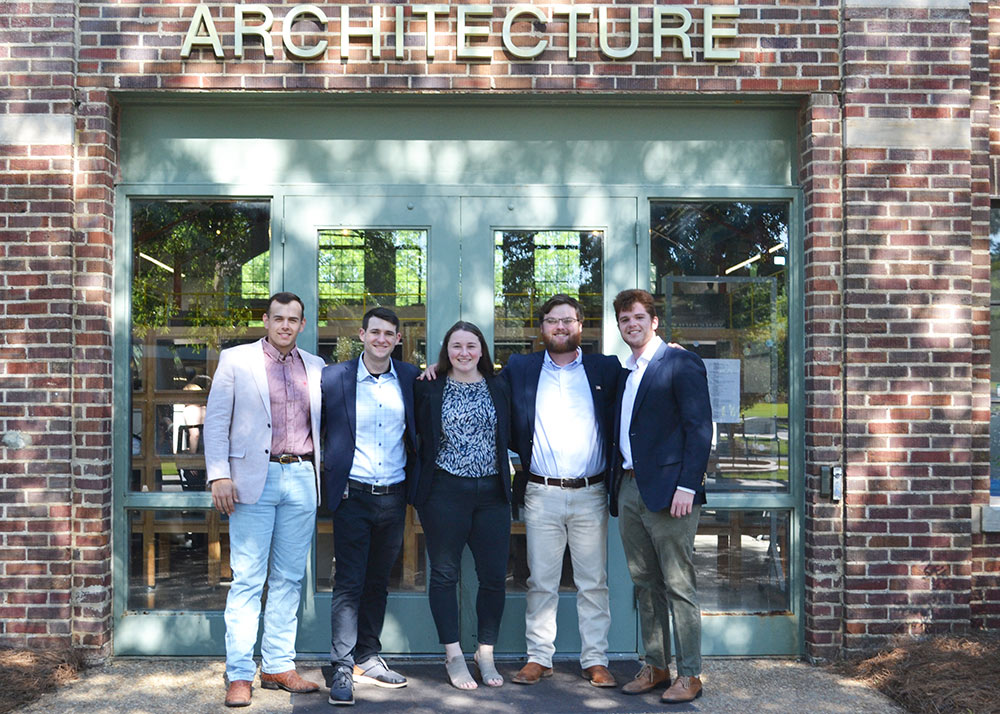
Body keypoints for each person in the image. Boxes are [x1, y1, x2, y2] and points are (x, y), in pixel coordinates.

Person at [204, 292, 324, 708]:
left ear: (302, 324)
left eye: (293, 319)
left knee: (290, 578)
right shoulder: (236, 360)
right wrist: (219, 473)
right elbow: (217, 420)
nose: (285, 326)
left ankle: (277, 663)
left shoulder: (317, 367)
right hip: (253, 478)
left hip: (302, 477)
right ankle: (239, 673)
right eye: (278, 318)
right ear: (265, 320)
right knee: (248, 580)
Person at [503, 295, 621, 688]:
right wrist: (438, 366)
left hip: (591, 492)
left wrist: (671, 352)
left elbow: (645, 383)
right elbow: (476, 378)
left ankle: (595, 659)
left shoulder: (605, 367)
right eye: (552, 321)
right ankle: (539, 657)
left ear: (580, 326)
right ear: (541, 328)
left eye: (567, 320)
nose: (560, 327)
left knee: (593, 581)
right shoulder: (521, 368)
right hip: (541, 492)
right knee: (541, 581)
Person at [610, 288, 712, 704]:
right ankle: (655, 666)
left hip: (672, 493)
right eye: (624, 320)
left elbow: (699, 428)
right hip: (631, 487)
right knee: (643, 583)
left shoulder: (679, 362)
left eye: (638, 317)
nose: (631, 325)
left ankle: (689, 674)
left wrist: (688, 485)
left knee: (678, 585)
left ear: (654, 321)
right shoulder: (627, 371)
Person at [320, 306, 420, 707]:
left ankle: (367, 656)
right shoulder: (334, 377)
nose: (381, 339)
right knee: (349, 582)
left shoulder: (412, 379)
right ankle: (341, 666)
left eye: (388, 334)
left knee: (379, 581)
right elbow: (315, 430)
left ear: (398, 340)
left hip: (393, 496)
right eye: (374, 332)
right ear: (361, 335)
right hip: (353, 495)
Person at [413, 321, 513, 690]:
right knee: (443, 574)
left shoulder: (499, 386)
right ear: (446, 351)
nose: (464, 352)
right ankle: (453, 654)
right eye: (457, 346)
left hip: (492, 494)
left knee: (493, 577)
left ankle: (484, 652)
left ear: (482, 350)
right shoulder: (427, 386)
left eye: (472, 345)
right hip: (444, 491)